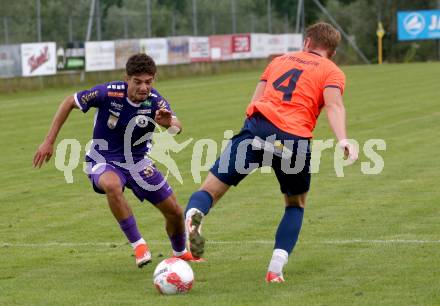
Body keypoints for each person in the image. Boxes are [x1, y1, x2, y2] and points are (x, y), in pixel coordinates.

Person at [184, 22, 359, 282]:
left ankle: (194, 215)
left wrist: (252, 135)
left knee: (209, 190)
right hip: (293, 139)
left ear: (307, 43)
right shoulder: (332, 71)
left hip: (257, 128)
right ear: (332, 52)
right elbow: (334, 105)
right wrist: (343, 139)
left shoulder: (278, 61)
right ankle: (275, 268)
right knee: (295, 205)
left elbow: (255, 101)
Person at [33, 53, 197, 268]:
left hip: (138, 162)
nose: (143, 88)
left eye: (148, 82)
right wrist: (48, 141)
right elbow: (68, 102)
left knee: (175, 211)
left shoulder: (155, 100)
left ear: (154, 79)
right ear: (126, 78)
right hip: (103, 159)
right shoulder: (107, 93)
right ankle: (139, 245)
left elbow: (177, 126)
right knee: (111, 184)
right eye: (137, 82)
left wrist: (169, 123)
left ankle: (180, 253)